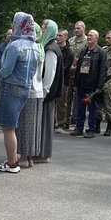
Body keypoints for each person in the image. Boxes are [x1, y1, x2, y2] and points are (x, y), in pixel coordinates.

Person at [0, 12, 39, 173]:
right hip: (25, 88)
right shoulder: (34, 47)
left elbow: (6, 70)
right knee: (13, 125)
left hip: (11, 87)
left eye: (14, 23)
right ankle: (13, 160)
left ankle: (12, 162)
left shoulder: (15, 46)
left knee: (8, 127)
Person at [16, 23, 44, 168]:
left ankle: (24, 157)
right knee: (32, 127)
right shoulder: (40, 47)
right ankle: (30, 156)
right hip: (38, 90)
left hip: (29, 89)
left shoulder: (31, 48)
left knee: (25, 126)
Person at [71, 30, 107, 138]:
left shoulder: (100, 52)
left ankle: (91, 129)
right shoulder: (84, 51)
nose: (89, 37)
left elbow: (102, 70)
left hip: (93, 85)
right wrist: (76, 83)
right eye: (88, 35)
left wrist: (100, 86)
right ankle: (79, 128)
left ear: (96, 38)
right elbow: (78, 69)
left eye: (91, 35)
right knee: (80, 107)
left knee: (92, 108)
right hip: (82, 83)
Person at [36, 20, 63, 162]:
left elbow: (50, 73)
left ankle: (43, 154)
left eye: (43, 28)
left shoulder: (51, 49)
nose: (41, 30)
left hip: (47, 93)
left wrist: (44, 91)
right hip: (47, 92)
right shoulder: (50, 46)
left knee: (45, 123)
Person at [65, 21, 88, 130]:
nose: (76, 30)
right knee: (66, 97)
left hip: (80, 74)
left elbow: (88, 58)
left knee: (78, 98)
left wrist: (79, 68)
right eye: (75, 28)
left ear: (83, 28)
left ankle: (77, 121)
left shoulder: (87, 41)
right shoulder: (70, 41)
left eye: (78, 28)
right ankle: (65, 120)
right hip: (69, 72)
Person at [55, 29, 74, 132]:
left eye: (60, 36)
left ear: (65, 37)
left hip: (63, 80)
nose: (58, 37)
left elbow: (66, 67)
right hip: (53, 79)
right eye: (57, 35)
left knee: (62, 102)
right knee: (52, 102)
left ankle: (62, 123)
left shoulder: (69, 51)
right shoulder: (54, 48)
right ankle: (53, 122)